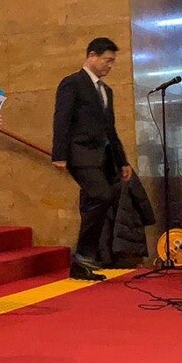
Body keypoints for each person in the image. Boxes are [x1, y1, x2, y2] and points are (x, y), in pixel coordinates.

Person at [52, 37, 133, 280]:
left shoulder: (106, 90)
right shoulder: (72, 83)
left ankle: (82, 263)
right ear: (92, 56)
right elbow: (62, 118)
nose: (109, 66)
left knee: (97, 202)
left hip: (103, 156)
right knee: (102, 195)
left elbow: (111, 129)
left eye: (113, 62)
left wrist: (122, 161)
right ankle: (83, 257)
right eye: (107, 60)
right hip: (80, 153)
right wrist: (59, 155)